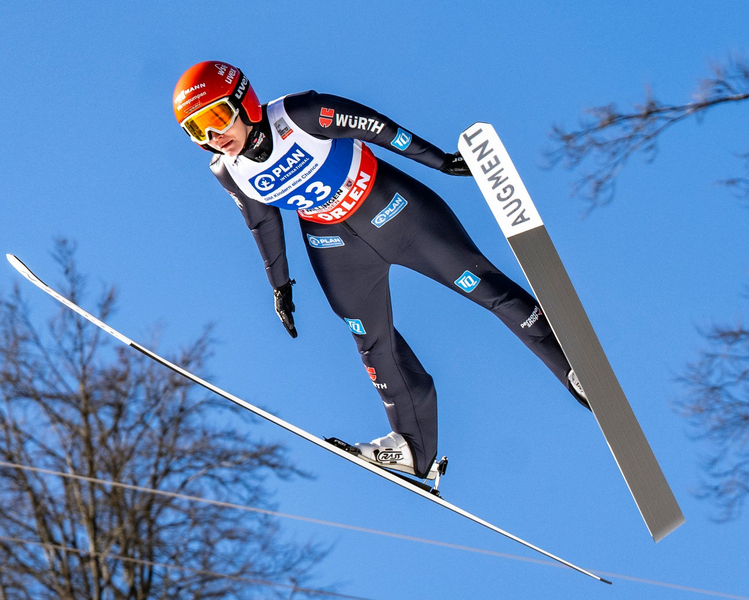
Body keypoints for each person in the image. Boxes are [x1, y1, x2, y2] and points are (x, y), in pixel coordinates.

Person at [173, 61, 588, 480]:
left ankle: (574, 369)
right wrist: (280, 286)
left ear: (244, 101)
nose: (213, 137)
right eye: (196, 130)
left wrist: (441, 161)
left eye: (216, 117)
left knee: (485, 288)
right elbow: (262, 223)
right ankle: (413, 448)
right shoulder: (227, 170)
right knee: (373, 344)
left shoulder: (298, 114)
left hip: (394, 210)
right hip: (334, 246)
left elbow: (377, 128)